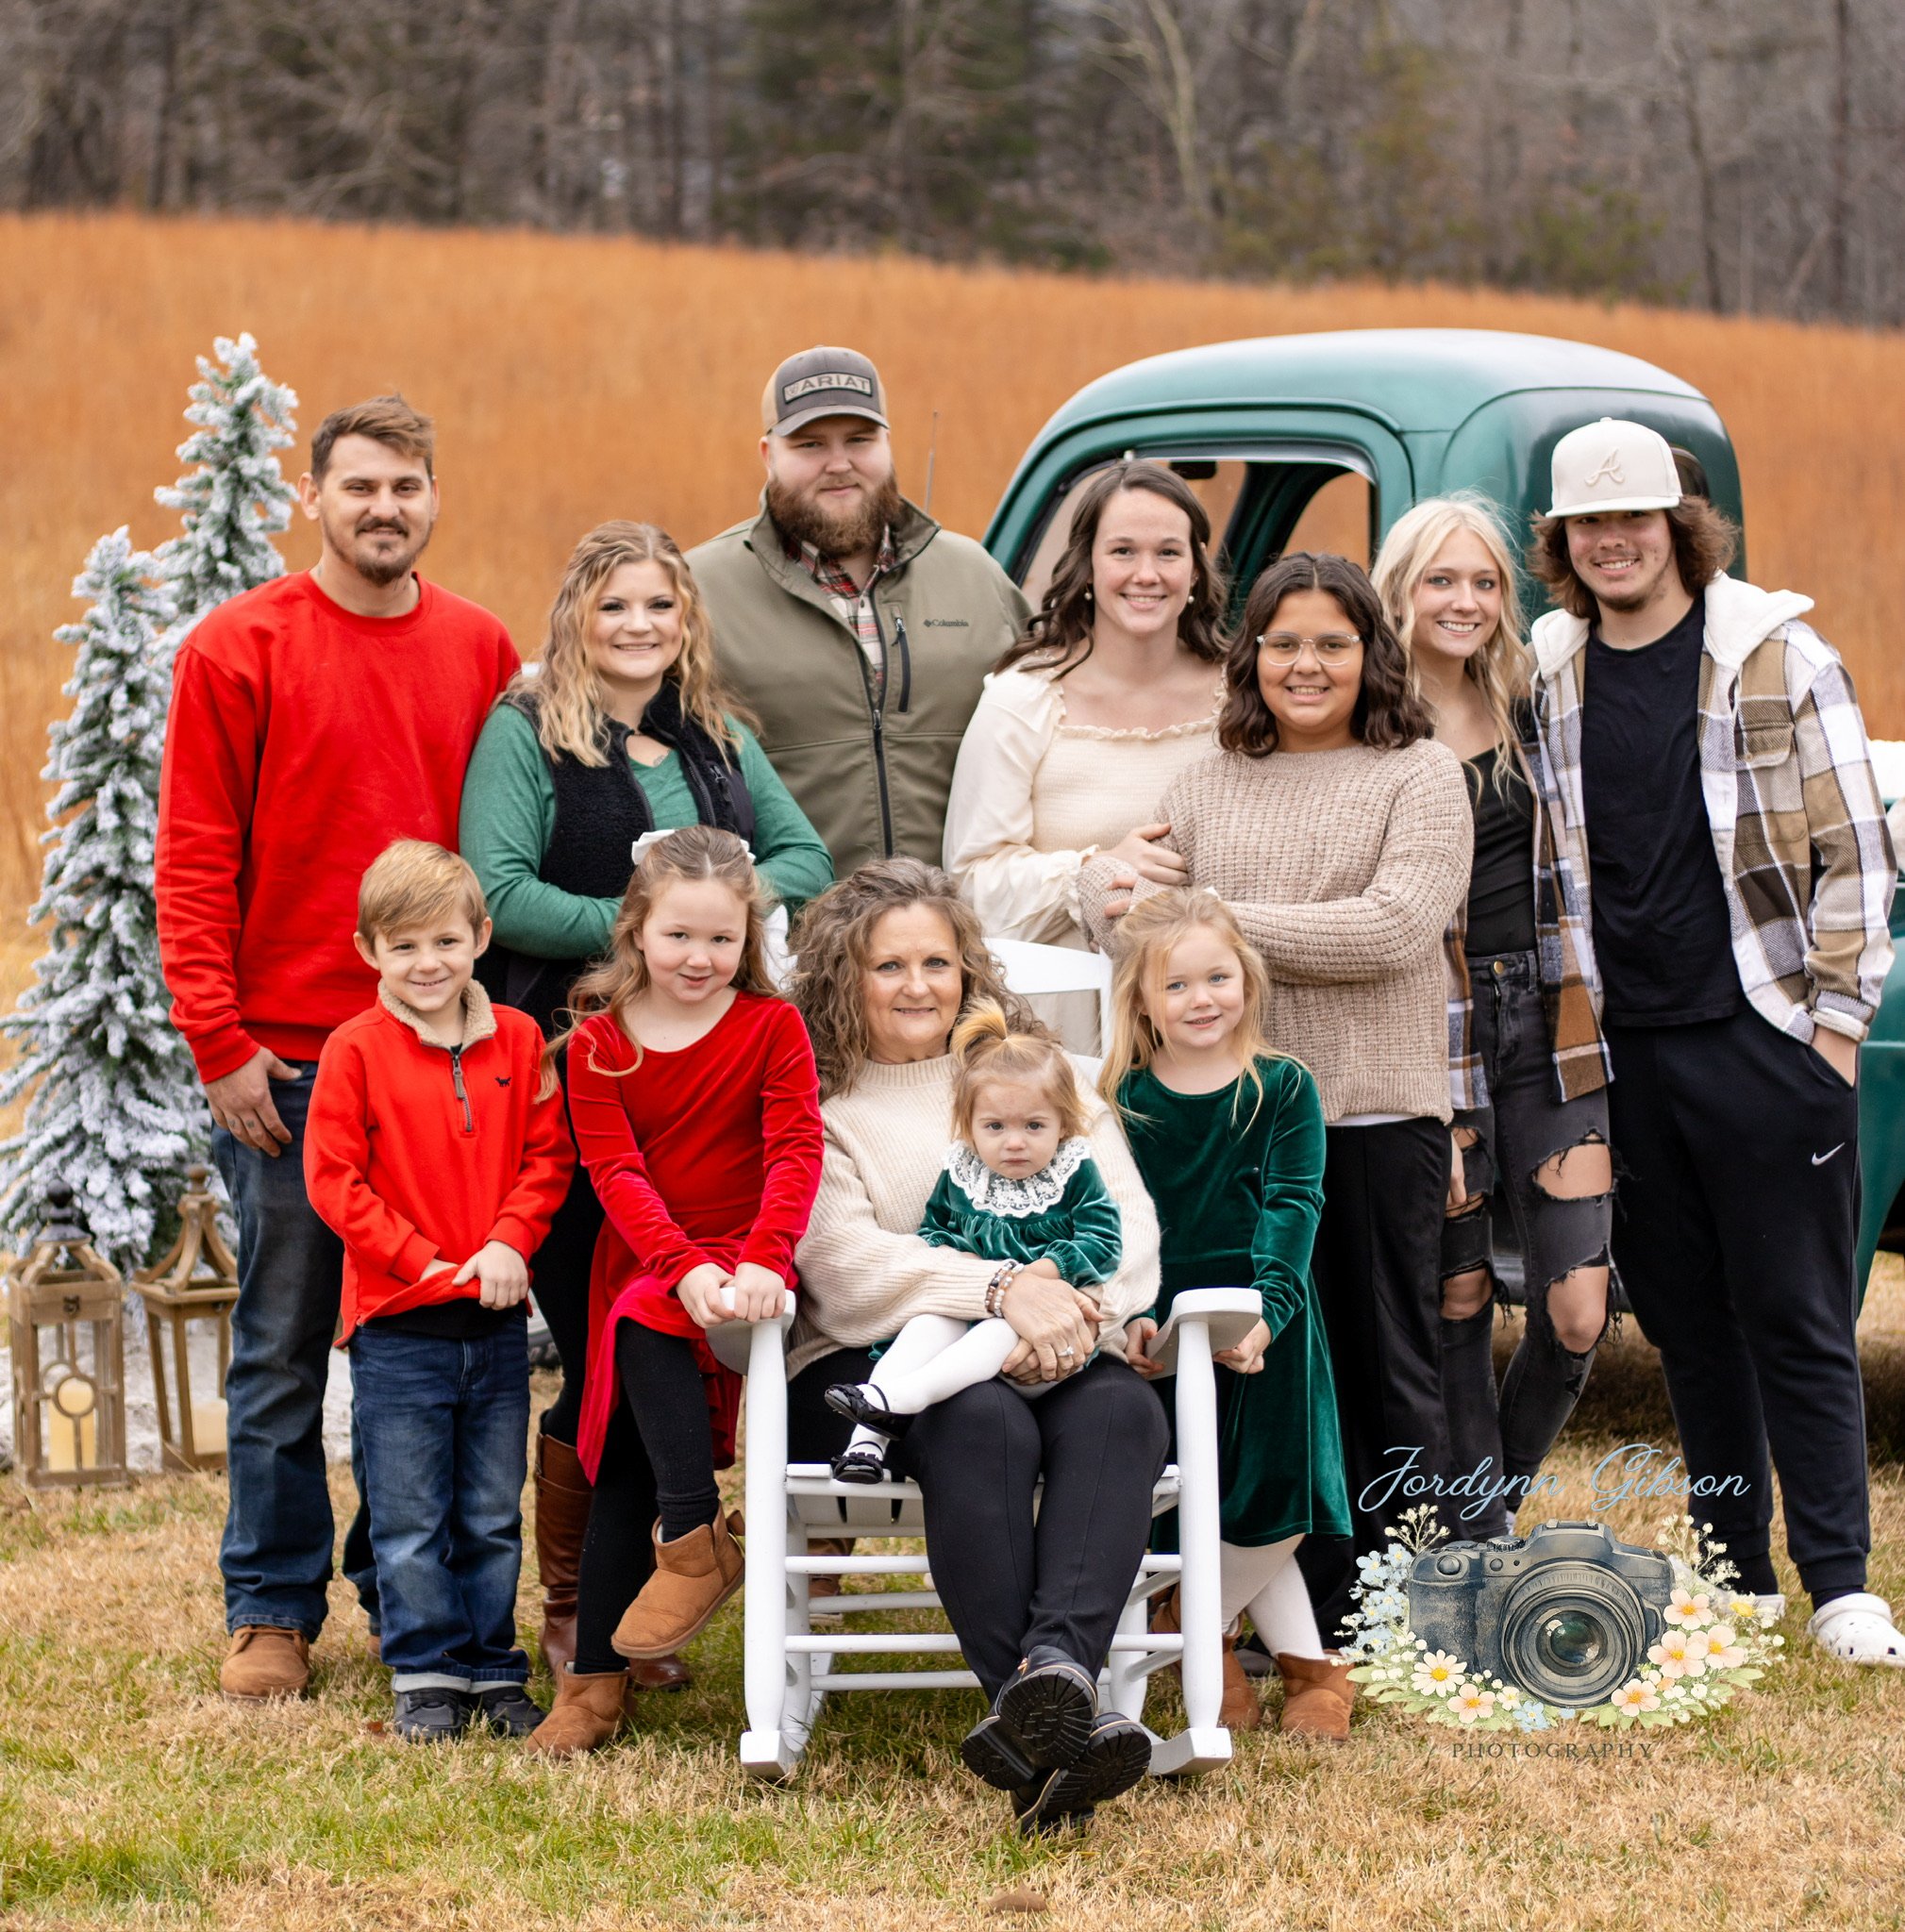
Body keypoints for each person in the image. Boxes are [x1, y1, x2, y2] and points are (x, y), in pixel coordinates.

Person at [157, 394, 520, 1702]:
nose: (385, 508)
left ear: (432, 496)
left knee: (430, 1350)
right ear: (314, 497)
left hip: (445, 1061)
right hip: (294, 1065)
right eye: (360, 485)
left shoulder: (479, 647)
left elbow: (503, 851)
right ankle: (270, 1605)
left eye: (406, 486)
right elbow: (194, 859)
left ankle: (404, 1586)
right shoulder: (239, 648)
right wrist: (221, 1042)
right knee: (283, 1343)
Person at [1528, 416, 1905, 1666]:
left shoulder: (1773, 656)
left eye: (1630, 519)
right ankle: (1734, 1576)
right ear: (1563, 543)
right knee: (1687, 1330)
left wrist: (1832, 1035)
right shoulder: (1550, 669)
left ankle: (1841, 1587)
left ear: (1675, 525)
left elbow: (1854, 847)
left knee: (1794, 1316)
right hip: (1623, 1056)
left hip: (1762, 1039)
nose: (1611, 543)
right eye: (1587, 525)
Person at [459, 520, 831, 1681]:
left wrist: (712, 920)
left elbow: (807, 859)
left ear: (686, 621)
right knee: (592, 1337)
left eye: (659, 607)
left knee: (676, 1332)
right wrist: (648, 930)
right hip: (585, 1062)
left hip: (714, 1073)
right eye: (613, 605)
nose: (637, 627)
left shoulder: (714, 736)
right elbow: (500, 890)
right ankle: (583, 1612)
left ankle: (655, 1577)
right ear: (575, 613)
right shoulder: (526, 733)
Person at [1079, 552, 1472, 1643]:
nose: (1306, 664)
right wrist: (1096, 881)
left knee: (1379, 1364)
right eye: (1283, 642)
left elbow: (1392, 929)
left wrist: (1212, 914)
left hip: (1370, 1113)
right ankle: (1254, 1603)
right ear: (1250, 653)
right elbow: (1135, 920)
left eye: (1332, 643)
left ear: (1370, 653)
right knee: (1250, 1361)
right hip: (1221, 1122)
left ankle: (1386, 1605)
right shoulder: (1207, 778)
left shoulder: (1418, 773)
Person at [786, 860, 1166, 1835]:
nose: (919, 984)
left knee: (1125, 1409)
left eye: (938, 961)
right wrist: (1000, 1291)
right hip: (889, 1363)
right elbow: (845, 1263)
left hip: (1065, 1342)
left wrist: (1067, 1318)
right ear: (843, 976)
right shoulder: (823, 1102)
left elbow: (1127, 1223)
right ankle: (1059, 1724)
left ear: (968, 969)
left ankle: (1050, 1687)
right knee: (981, 1419)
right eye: (890, 965)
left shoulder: (1046, 1076)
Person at [525, 827, 824, 1756]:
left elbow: (795, 1148)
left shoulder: (773, 1027)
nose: (700, 958)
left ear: (750, 942)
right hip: (652, 1263)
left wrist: (763, 1259)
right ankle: (594, 1684)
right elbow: (615, 1172)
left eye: (722, 940)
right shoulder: (601, 1043)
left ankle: (693, 1536)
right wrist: (681, 1264)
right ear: (637, 931)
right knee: (617, 1453)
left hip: (756, 1264)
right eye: (679, 936)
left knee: (643, 1354)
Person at [1371, 496, 1613, 1537]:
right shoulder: (1372, 721)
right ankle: (1473, 1544)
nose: (1464, 601)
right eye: (1441, 580)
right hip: (1438, 1025)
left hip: (1554, 1021)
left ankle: (1486, 1505)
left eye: (1483, 582)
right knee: (1458, 1297)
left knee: (1577, 1311)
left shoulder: (1532, 700)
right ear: (1400, 591)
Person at [303, 843, 573, 1741]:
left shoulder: (521, 1040)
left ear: (481, 938)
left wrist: (508, 1241)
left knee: (492, 1510)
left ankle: (492, 1668)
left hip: (492, 1320)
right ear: (368, 950)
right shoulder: (353, 1051)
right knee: (413, 1515)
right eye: (405, 945)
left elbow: (546, 1159)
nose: (429, 963)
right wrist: (413, 1257)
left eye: (447, 942)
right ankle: (426, 1669)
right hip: (397, 1323)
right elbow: (333, 1180)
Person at [1103, 888, 1354, 1740]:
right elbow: (1120, 1222)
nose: (1200, 999)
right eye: (1176, 986)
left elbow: (1294, 1205)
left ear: (1246, 979)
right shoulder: (1123, 1098)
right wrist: (1135, 1317)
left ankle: (1195, 1630)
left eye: (1217, 977)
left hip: (1261, 1316)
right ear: (1141, 999)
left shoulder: (1280, 1087)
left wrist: (1267, 1316)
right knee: (1203, 1498)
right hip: (1168, 1325)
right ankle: (1310, 1667)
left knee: (1272, 1499)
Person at [688, 346, 1031, 874]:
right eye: (809, 444)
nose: (840, 464)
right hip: (788, 939)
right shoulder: (697, 591)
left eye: (860, 440)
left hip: (956, 941)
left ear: (888, 444)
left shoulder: (976, 576)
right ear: (767, 454)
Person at [944, 459, 1224, 1047]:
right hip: (1070, 1033)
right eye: (1122, 551)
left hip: (1213, 1025)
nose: (1146, 574)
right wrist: (1090, 872)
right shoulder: (1024, 698)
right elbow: (971, 884)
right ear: (1087, 566)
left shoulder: (1241, 698)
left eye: (1169, 553)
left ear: (1196, 568)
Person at [822, 1000, 1123, 1480]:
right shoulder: (963, 1174)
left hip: (1032, 1335)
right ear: (970, 1128)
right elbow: (934, 1231)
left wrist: (1044, 1274)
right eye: (995, 1127)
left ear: (1064, 1124)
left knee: (996, 1330)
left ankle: (904, 1399)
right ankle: (865, 1445)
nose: (1015, 1142)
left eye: (1034, 1126)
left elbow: (1104, 1239)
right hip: (973, 1306)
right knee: (924, 1326)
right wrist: (966, 1269)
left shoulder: (1074, 1172)